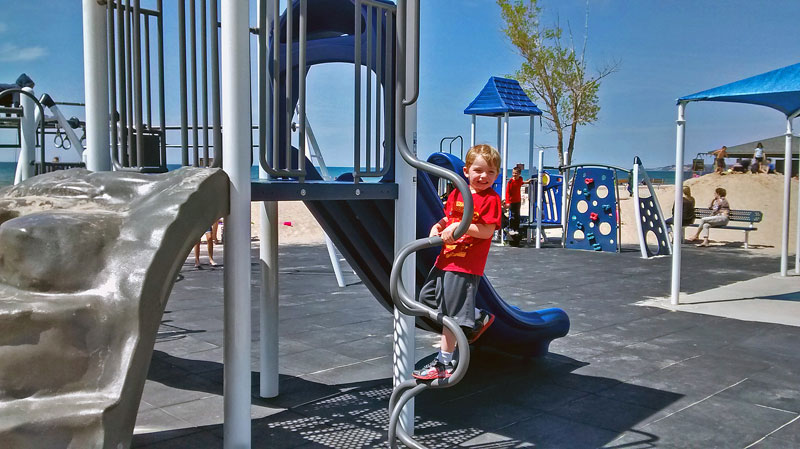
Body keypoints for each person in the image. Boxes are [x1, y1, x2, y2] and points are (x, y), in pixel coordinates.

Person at [413, 144, 502, 380]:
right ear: (466, 171)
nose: (484, 176)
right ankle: (474, 316)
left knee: (450, 316)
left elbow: (486, 231)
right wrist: (441, 225)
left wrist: (460, 227)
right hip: (445, 258)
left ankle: (444, 362)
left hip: (465, 264)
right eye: (479, 170)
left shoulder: (490, 199)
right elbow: (449, 216)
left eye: (491, 172)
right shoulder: (457, 193)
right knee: (426, 299)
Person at [504, 166, 526, 242]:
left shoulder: (520, 179)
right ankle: (511, 228)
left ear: (519, 174)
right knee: (512, 215)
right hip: (512, 201)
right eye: (513, 173)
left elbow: (520, 183)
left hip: (518, 200)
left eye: (516, 173)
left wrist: (526, 182)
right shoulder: (510, 182)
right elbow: (507, 193)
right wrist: (507, 202)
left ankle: (516, 229)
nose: (514, 174)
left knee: (517, 215)